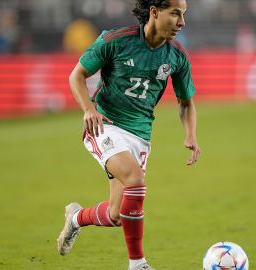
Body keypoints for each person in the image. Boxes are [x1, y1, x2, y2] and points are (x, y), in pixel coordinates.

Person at [57, 1, 200, 269]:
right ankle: (138, 264)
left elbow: (185, 102)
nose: (182, 22)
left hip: (140, 136)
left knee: (117, 215)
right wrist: (88, 109)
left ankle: (76, 218)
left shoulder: (176, 56)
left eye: (184, 14)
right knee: (135, 179)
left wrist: (190, 134)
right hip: (105, 125)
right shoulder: (115, 40)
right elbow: (77, 75)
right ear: (155, 12)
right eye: (176, 14)